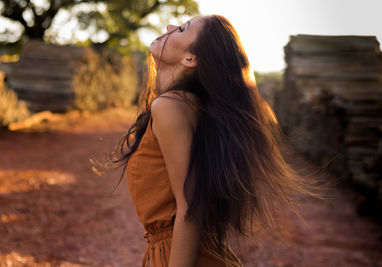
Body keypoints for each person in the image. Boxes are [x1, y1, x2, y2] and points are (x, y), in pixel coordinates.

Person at [109, 14, 325, 267]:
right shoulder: (187, 105)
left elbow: (191, 208)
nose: (168, 27)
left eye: (181, 29)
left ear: (191, 58)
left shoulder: (169, 106)